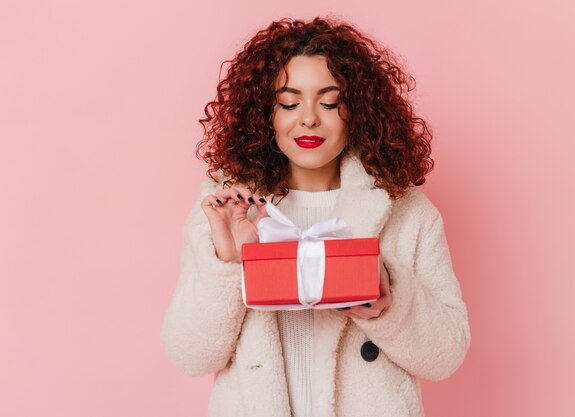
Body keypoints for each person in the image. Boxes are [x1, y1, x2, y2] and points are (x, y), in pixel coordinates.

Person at [160, 16, 471, 417]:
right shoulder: (226, 209)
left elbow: (446, 356)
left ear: (357, 111)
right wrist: (228, 261)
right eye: (289, 103)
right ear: (264, 114)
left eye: (329, 102)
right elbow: (190, 356)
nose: (309, 118)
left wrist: (389, 300)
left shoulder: (407, 213)